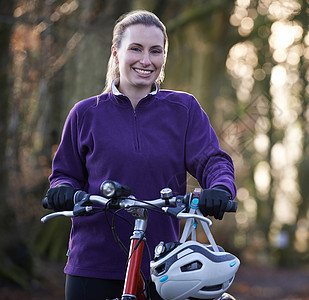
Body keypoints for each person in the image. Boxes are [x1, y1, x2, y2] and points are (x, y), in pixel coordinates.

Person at [45, 10, 237, 300]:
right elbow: (65, 174)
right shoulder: (85, 113)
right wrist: (62, 190)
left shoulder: (184, 109)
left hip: (163, 266)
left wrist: (220, 188)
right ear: (116, 53)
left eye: (155, 51)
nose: (146, 60)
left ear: (163, 57)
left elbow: (213, 160)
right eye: (136, 48)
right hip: (93, 264)